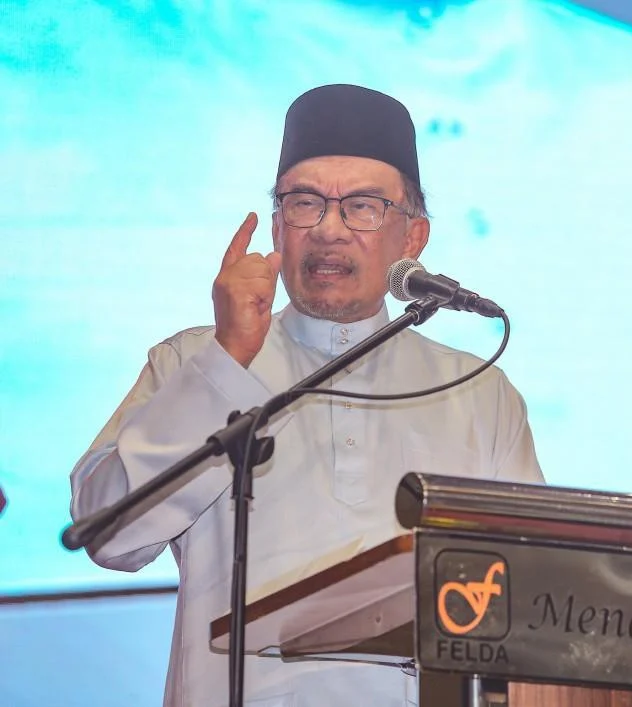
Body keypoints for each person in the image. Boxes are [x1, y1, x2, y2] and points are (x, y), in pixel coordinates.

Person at [69, 84, 544, 707]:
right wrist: (229, 358)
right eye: (304, 204)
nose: (328, 230)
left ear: (413, 238)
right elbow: (109, 537)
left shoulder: (479, 393)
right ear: (277, 227)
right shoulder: (194, 359)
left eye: (363, 207)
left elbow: (531, 594)